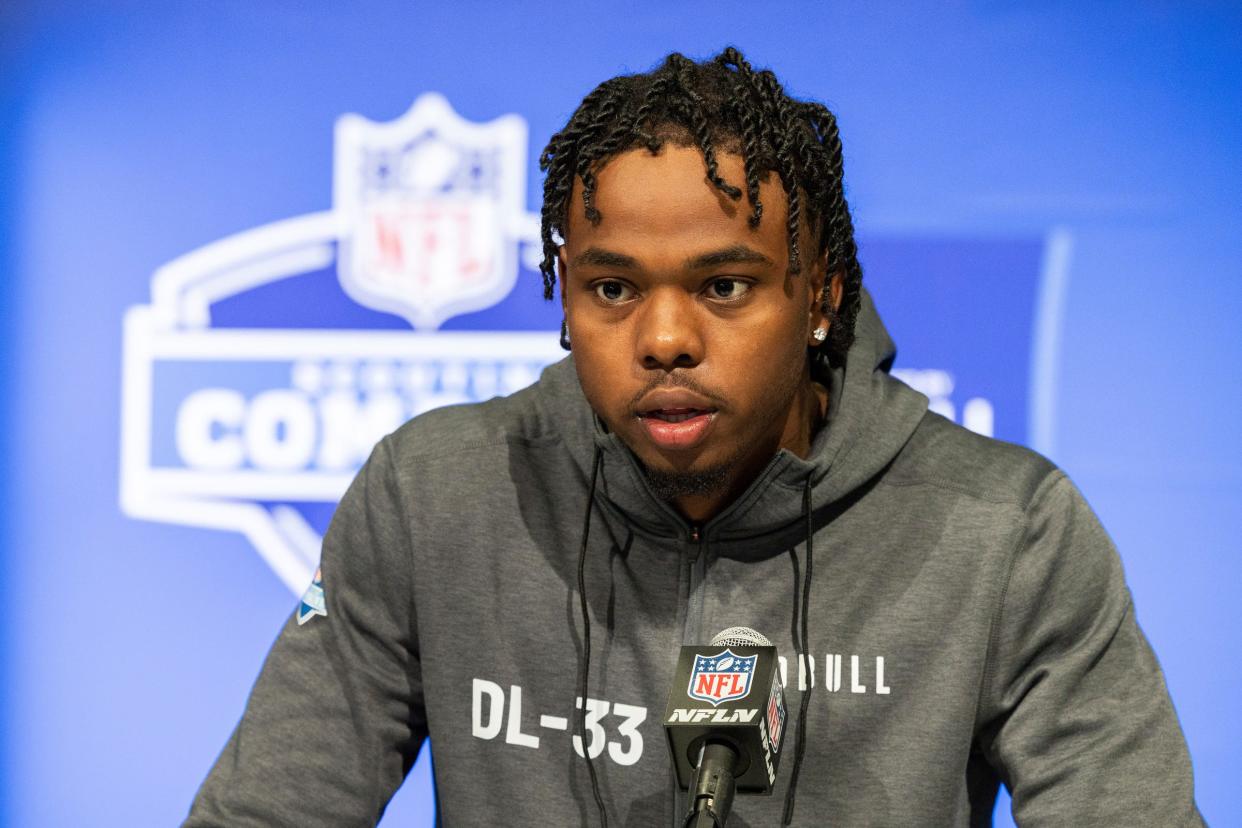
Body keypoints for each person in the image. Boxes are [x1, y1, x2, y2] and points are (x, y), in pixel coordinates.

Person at [185, 48, 1202, 826]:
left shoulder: (1007, 531)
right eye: (613, 288)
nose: (664, 339)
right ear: (564, 295)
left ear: (820, 295)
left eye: (724, 286)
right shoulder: (434, 497)